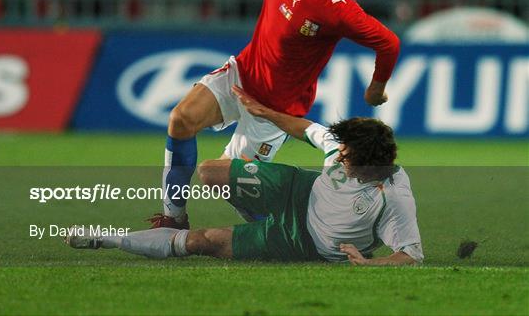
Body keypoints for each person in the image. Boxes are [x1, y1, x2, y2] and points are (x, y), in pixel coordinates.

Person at [150, 0, 401, 230]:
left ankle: (292, 230)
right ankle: (174, 220)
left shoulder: (337, 9)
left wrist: (376, 88)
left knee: (229, 186)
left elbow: (389, 42)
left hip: (275, 108)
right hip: (243, 73)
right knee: (181, 119)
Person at [66, 85, 423, 266]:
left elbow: (411, 255)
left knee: (202, 242)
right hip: (296, 190)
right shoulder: (345, 148)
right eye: (340, 150)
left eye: (346, 156)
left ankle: (106, 239)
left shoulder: (393, 195)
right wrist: (262, 111)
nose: (339, 155)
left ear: (370, 162)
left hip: (301, 243)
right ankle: (259, 212)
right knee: (209, 172)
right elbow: (306, 128)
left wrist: (370, 263)